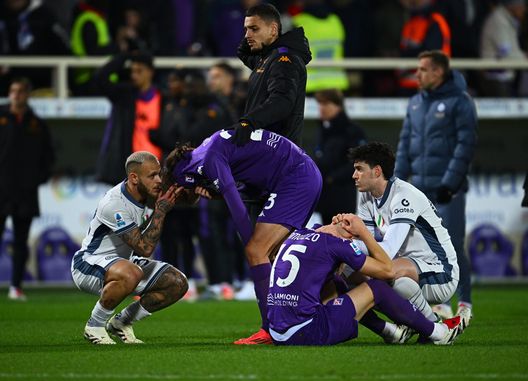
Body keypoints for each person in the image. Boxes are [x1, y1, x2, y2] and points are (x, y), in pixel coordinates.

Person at [163, 128, 322, 344]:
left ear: (183, 178)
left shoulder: (208, 160)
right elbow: (248, 187)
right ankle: (323, 310)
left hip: (295, 178)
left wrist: (251, 249)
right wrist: (217, 193)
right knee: (276, 255)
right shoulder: (207, 149)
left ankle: (271, 330)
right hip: (299, 174)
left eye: (181, 191)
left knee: (258, 251)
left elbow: (237, 209)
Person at [268, 215, 462, 346]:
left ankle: (392, 332)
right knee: (377, 288)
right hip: (306, 331)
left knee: (336, 282)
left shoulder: (302, 233)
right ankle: (438, 333)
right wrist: (365, 233)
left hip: (277, 331)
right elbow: (387, 271)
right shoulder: (338, 244)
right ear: (351, 234)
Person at [334, 142, 460, 340]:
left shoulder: (404, 196)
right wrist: (340, 239)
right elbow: (366, 246)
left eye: (359, 169)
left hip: (441, 273)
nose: (354, 175)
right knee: (345, 275)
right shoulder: (367, 197)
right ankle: (395, 329)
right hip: (410, 269)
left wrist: (341, 248)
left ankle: (435, 327)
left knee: (386, 272)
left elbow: (387, 250)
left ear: (376, 171)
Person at [394, 50, 477, 329]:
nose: (416, 74)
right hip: (419, 191)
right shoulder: (415, 103)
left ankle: (465, 302)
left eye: (422, 69)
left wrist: (449, 184)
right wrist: (397, 182)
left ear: (438, 72)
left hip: (447, 190)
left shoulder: (460, 102)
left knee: (452, 244)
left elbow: (465, 146)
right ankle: (438, 303)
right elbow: (405, 145)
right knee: (421, 250)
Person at [71, 151, 189, 344]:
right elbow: (144, 249)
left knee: (177, 283)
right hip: (89, 263)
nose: (159, 180)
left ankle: (122, 322)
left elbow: (187, 198)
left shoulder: (149, 190)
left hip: (124, 262)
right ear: (134, 178)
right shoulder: (114, 204)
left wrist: (195, 179)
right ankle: (95, 325)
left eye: (159, 174)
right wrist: (160, 211)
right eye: (152, 176)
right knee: (131, 273)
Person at [0, 77, 55, 301]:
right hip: (1, 189)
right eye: (13, 91)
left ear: (27, 95)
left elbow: (48, 158)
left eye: (20, 91)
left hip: (25, 192)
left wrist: (36, 179)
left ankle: (16, 286)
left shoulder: (37, 124)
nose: (16, 95)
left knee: (21, 242)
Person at [233, 3, 311, 147]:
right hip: (267, 149)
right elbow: (242, 53)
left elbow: (282, 100)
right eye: (246, 29)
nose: (247, 35)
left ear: (273, 29)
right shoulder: (266, 57)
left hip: (278, 151)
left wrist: (249, 121)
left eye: (254, 29)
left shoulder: (285, 60)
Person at [94, 51, 164, 185]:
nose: (134, 75)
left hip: (157, 169)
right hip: (129, 169)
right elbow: (100, 78)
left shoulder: (163, 98)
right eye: (132, 71)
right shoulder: (124, 95)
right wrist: (125, 56)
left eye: (139, 71)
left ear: (150, 72)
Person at [313, 89, 366, 223]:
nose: (321, 108)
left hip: (342, 197)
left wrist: (332, 178)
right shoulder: (323, 130)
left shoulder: (353, 131)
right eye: (320, 104)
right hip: (325, 197)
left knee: (343, 236)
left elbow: (357, 162)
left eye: (325, 104)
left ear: (338, 106)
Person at [397, 0, 451, 95]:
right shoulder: (412, 21)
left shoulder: (435, 21)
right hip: (407, 85)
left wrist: (403, 55)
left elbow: (431, 53)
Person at [480, 0, 527, 97]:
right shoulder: (498, 20)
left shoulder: (508, 19)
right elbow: (506, 52)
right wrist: (525, 57)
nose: (524, 10)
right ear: (513, 6)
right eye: (522, 7)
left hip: (505, 76)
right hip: (496, 78)